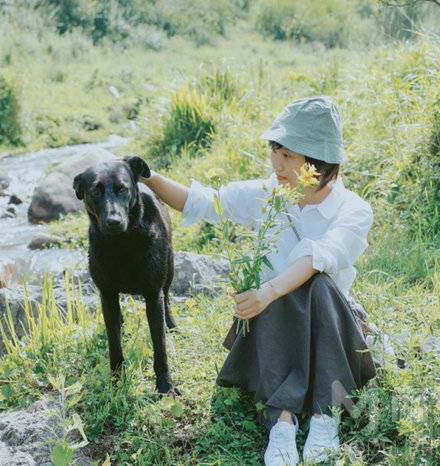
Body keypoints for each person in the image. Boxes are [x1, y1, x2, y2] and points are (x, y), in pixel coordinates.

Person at [141, 96, 377, 465]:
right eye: (275, 152)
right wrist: (147, 175)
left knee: (316, 285)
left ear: (317, 162)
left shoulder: (354, 210)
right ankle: (281, 422)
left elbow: (320, 255)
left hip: (329, 327)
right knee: (274, 297)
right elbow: (202, 201)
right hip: (272, 326)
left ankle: (324, 416)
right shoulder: (268, 193)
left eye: (289, 156)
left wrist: (268, 291)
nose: (277, 164)